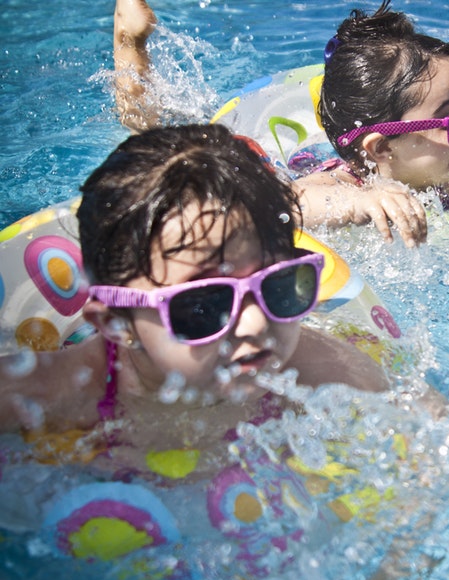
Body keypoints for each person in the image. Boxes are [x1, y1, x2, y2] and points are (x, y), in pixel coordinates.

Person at [0, 123, 389, 479]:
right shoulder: (50, 397)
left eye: (279, 285)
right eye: (203, 305)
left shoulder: (319, 372)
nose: (255, 324)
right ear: (115, 322)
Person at [112, 0, 449, 248]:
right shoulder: (341, 180)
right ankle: (130, 43)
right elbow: (280, 207)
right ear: (380, 149)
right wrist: (359, 201)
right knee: (157, 144)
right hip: (288, 163)